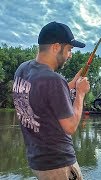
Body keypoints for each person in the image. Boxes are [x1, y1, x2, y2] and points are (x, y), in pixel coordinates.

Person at [12, 21, 90, 179]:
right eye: (69, 49)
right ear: (56, 47)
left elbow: (44, 96)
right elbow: (70, 126)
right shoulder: (53, 80)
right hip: (59, 164)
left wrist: (72, 85)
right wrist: (80, 94)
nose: (70, 55)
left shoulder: (23, 69)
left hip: (38, 162)